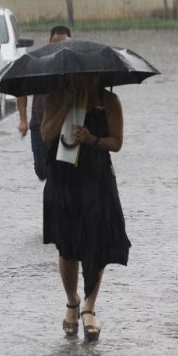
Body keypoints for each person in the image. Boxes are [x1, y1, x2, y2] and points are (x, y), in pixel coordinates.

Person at [40, 72, 131, 341]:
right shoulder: (57, 97)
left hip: (97, 180)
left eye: (89, 78)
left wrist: (91, 139)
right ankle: (72, 302)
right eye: (79, 77)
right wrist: (66, 105)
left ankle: (89, 307)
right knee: (67, 247)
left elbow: (117, 142)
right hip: (64, 181)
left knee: (96, 244)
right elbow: (46, 135)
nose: (84, 82)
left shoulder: (110, 101)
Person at [17, 25, 72, 181]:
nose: (58, 47)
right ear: (49, 43)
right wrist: (23, 120)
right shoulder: (37, 63)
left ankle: (59, 194)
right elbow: (21, 91)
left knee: (63, 169)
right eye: (55, 43)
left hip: (67, 123)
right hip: (39, 124)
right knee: (41, 170)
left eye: (63, 43)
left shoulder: (75, 65)